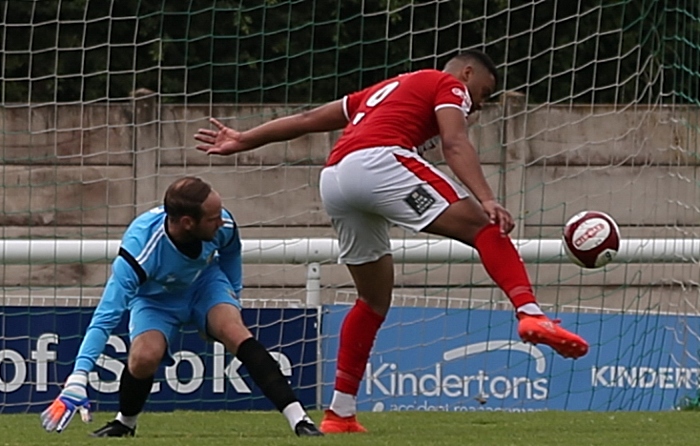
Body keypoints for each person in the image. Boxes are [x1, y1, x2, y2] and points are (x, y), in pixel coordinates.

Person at [193, 49, 589, 434]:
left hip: (336, 178)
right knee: (486, 227)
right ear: (467, 74)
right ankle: (531, 312)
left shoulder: (386, 90)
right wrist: (486, 197)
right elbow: (454, 143)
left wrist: (244, 139)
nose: (478, 105)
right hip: (379, 163)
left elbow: (309, 118)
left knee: (373, 299)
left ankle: (340, 413)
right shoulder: (448, 84)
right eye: (483, 94)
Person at [40, 176, 322, 438]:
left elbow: (232, 250)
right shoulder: (139, 251)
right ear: (188, 222)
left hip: (204, 285)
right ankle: (125, 422)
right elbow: (105, 317)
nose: (221, 222)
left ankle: (300, 420)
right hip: (156, 300)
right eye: (213, 218)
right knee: (144, 357)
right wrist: (79, 375)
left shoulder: (222, 224)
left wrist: (234, 296)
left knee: (235, 331)